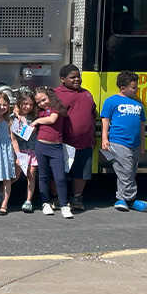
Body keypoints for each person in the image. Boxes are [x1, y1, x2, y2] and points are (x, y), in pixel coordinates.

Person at [100, 71, 147, 213]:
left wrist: (142, 143)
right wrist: (105, 139)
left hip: (134, 143)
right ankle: (128, 199)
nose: (137, 90)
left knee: (131, 171)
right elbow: (105, 120)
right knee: (126, 171)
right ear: (123, 88)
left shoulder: (138, 103)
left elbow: (142, 124)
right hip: (118, 141)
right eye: (134, 87)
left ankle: (124, 199)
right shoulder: (111, 101)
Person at [54, 65, 97, 212]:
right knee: (59, 173)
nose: (77, 79)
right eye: (73, 77)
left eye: (78, 76)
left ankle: (77, 197)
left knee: (82, 172)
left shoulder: (87, 94)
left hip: (84, 143)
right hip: (63, 143)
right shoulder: (55, 94)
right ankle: (58, 198)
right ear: (62, 79)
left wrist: (93, 136)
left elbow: (93, 116)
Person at [30, 87, 72, 219]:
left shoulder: (55, 108)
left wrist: (37, 121)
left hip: (56, 147)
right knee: (43, 176)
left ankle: (64, 205)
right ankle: (45, 203)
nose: (42, 103)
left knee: (60, 177)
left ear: (50, 97)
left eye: (44, 100)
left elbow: (52, 119)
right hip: (41, 146)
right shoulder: (40, 111)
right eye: (38, 102)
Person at [11, 92, 39, 213]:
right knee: (16, 176)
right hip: (20, 150)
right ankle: (2, 191)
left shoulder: (35, 117)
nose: (28, 107)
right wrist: (18, 116)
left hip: (33, 149)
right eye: (25, 104)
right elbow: (17, 136)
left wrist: (26, 123)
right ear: (20, 103)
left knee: (31, 176)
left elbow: (29, 133)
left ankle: (28, 201)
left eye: (31, 104)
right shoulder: (13, 117)